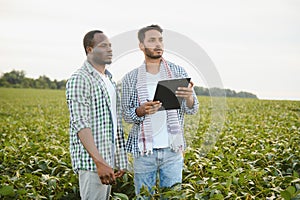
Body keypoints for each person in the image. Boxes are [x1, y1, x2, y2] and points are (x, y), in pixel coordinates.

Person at [122, 25, 199, 196]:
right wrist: (141, 110)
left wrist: (188, 97)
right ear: (141, 46)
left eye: (160, 40)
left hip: (172, 151)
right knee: (143, 197)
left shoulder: (178, 72)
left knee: (172, 197)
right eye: (152, 40)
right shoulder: (130, 78)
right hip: (143, 153)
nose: (158, 44)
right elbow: (127, 115)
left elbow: (192, 109)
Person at [66, 30, 127, 200]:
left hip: (107, 161)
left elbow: (114, 124)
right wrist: (99, 162)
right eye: (103, 46)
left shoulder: (108, 80)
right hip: (92, 163)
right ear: (89, 50)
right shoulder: (80, 78)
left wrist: (119, 158)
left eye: (110, 46)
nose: (109, 49)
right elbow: (80, 123)